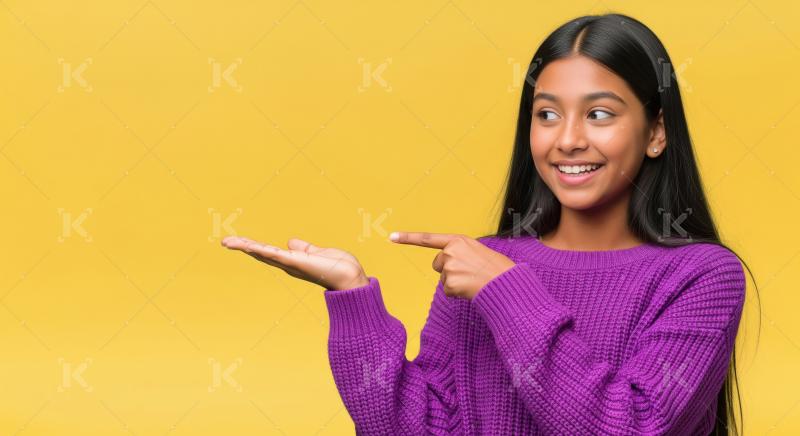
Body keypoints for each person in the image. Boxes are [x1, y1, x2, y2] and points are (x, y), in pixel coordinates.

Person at [222, 12, 760, 435]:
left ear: (656, 132)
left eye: (599, 114)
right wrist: (354, 298)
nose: (567, 139)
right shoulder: (480, 265)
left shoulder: (702, 277)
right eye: (547, 114)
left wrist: (506, 290)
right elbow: (416, 429)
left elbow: (628, 426)